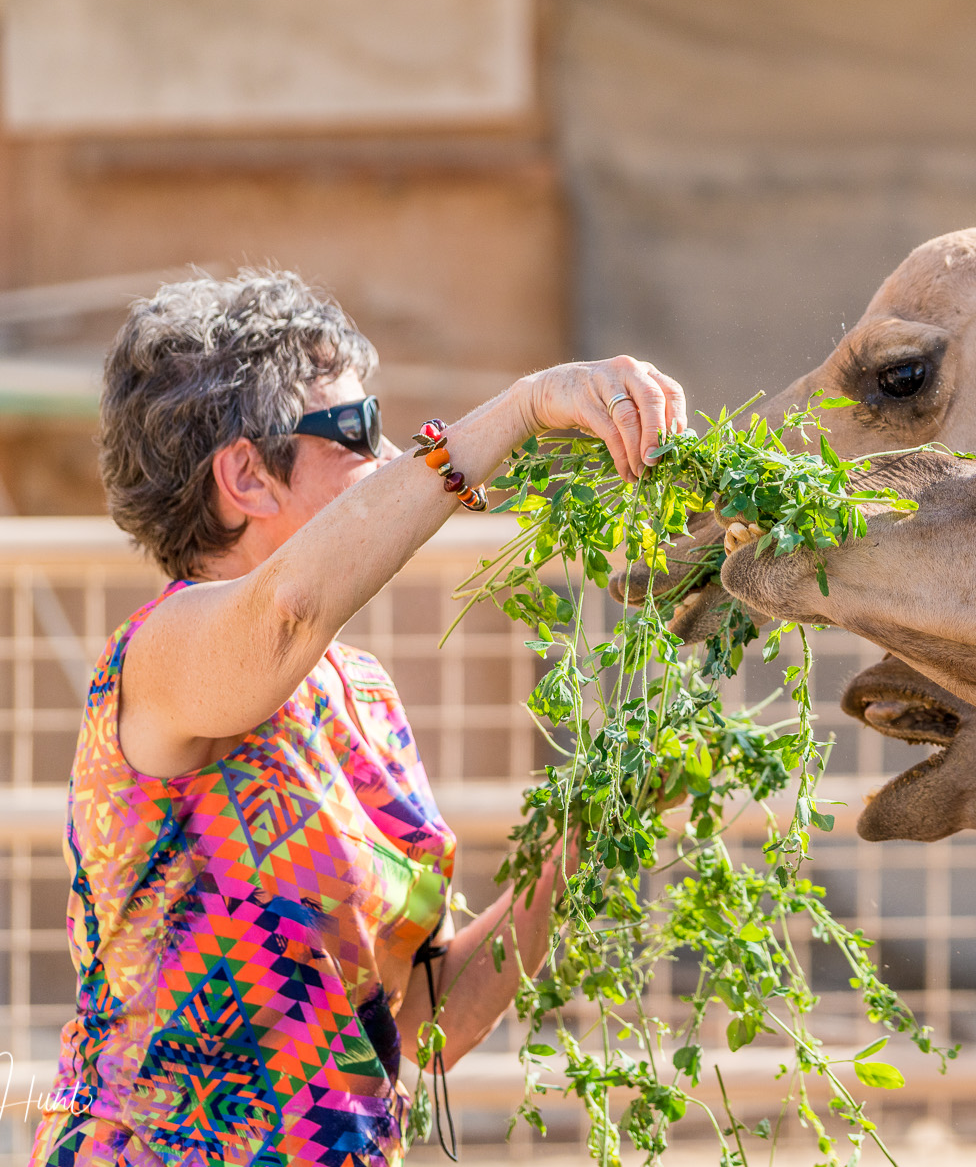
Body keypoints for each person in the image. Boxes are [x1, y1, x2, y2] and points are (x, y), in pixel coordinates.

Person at [33, 271, 687, 1167]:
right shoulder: (163, 653)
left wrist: (598, 825)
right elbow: (288, 606)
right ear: (248, 476)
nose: (387, 457)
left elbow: (424, 1026)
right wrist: (522, 410)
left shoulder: (362, 692)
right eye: (356, 431)